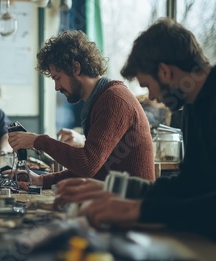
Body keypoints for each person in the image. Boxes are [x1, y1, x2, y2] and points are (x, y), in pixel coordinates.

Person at [55, 18, 216, 240]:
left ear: (165, 71)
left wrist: (138, 210)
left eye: (148, 86)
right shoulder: (191, 105)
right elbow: (189, 185)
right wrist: (115, 189)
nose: (151, 97)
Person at [7, 30, 156, 189]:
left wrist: (37, 141)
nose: (57, 87)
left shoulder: (114, 100)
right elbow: (93, 169)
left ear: (76, 68)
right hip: (115, 200)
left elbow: (87, 164)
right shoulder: (101, 99)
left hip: (133, 207)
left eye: (58, 78)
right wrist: (42, 180)